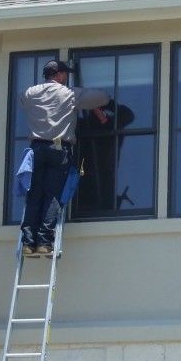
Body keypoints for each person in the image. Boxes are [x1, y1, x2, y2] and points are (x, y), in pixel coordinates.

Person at [19, 60, 110, 255]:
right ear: (58, 75)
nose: (66, 77)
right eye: (65, 74)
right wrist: (107, 98)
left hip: (36, 149)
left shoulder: (29, 93)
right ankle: (44, 242)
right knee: (52, 195)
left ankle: (28, 243)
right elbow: (100, 97)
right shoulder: (69, 94)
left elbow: (22, 101)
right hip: (58, 149)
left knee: (34, 195)